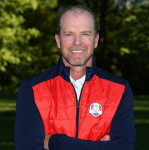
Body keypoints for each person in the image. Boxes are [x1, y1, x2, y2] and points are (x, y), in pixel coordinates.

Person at [15, 5, 135, 150]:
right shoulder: (32, 89)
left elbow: (124, 147)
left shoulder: (119, 89)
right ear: (58, 40)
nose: (77, 42)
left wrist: (56, 142)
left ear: (96, 40)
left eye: (85, 34)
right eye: (69, 34)